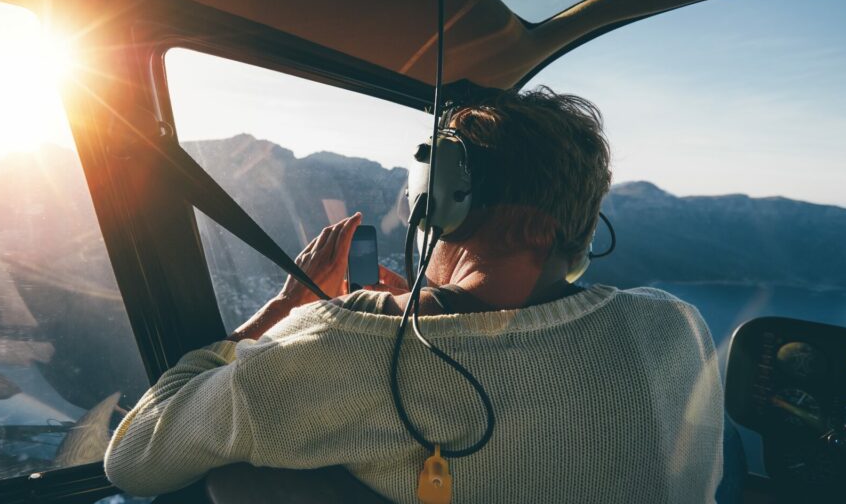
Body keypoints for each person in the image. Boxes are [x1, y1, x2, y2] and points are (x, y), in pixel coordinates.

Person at [104, 87, 724, 502]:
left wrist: (288, 309)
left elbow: (134, 457)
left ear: (441, 203)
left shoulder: (348, 342)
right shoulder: (673, 324)